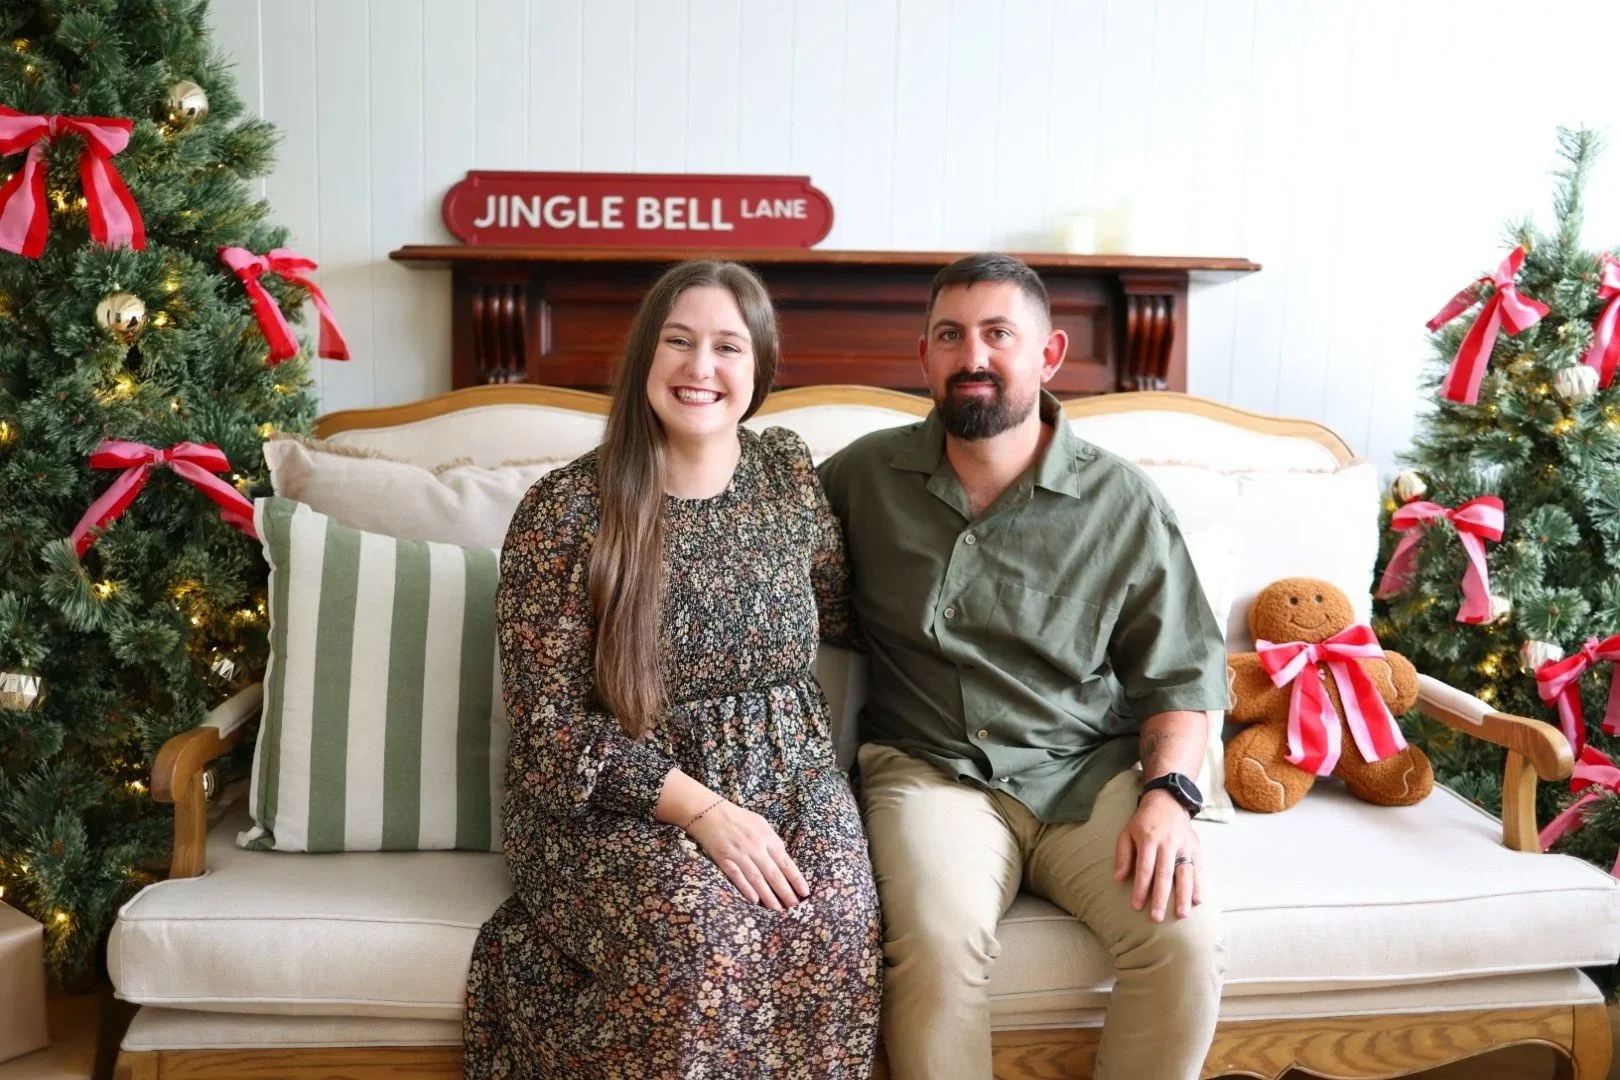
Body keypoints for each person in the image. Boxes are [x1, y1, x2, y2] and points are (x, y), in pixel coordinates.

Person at [463, 260, 883, 1079]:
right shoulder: (567, 509)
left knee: (834, 920)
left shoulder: (786, 474)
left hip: (792, 776)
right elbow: (547, 727)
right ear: (643, 359)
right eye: (679, 342)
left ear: (756, 369)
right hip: (622, 801)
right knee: (705, 935)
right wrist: (701, 811)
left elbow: (849, 611)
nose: (700, 368)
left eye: (728, 347)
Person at [818, 253, 1230, 1080]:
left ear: (1047, 356)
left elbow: (1181, 677)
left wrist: (1169, 797)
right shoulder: (861, 477)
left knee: (1183, 940)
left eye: (999, 334)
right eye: (951, 335)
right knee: (933, 947)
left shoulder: (1123, 502)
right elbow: (755, 560)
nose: (974, 355)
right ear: (925, 358)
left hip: (1089, 774)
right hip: (930, 772)